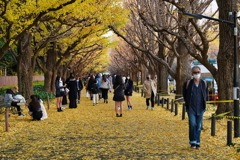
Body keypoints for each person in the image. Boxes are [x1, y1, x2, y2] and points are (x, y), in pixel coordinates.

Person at [183, 66, 208, 149]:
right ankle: (192, 141)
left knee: (199, 126)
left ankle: (197, 142)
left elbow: (205, 94)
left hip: (201, 108)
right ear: (192, 73)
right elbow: (185, 94)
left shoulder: (204, 83)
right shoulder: (188, 83)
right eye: (195, 72)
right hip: (191, 109)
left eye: (198, 72)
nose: (196, 74)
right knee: (193, 124)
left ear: (200, 73)